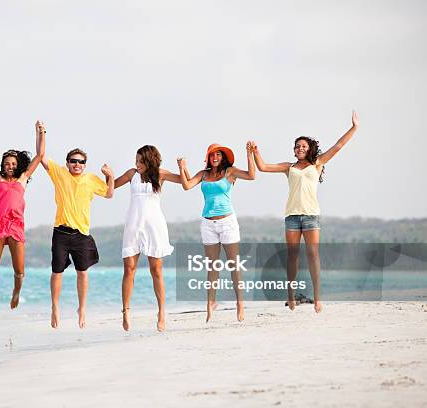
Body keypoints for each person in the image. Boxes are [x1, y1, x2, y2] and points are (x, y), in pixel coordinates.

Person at [252, 111, 359, 313]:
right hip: (292, 216)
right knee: (292, 257)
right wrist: (254, 151)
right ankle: (291, 296)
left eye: (303, 146)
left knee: (313, 255)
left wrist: (354, 127)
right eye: (297, 146)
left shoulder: (317, 163)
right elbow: (263, 167)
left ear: (309, 149)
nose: (300, 148)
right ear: (294, 151)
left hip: (311, 215)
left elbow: (338, 145)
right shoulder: (289, 167)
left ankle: (318, 299)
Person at [39, 130, 115, 329]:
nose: (77, 164)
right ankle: (55, 307)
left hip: (81, 234)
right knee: (57, 272)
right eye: (73, 161)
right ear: (67, 163)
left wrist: (110, 176)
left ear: (85, 165)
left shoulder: (90, 179)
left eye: (81, 162)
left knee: (82, 272)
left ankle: (82, 308)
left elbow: (109, 194)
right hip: (61, 232)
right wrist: (41, 133)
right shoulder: (60, 174)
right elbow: (41, 156)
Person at [177, 141, 256, 322]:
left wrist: (249, 154)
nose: (215, 158)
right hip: (208, 224)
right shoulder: (204, 174)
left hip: (228, 222)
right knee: (212, 267)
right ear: (208, 157)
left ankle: (240, 304)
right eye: (212, 155)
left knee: (233, 266)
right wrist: (182, 168)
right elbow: (187, 185)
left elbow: (252, 175)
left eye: (218, 155)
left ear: (223, 157)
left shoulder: (230, 172)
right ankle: (210, 304)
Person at [114, 145, 182, 332]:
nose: (137, 164)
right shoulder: (132, 174)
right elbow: (110, 187)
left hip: (154, 225)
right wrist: (108, 174)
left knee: (156, 270)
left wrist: (182, 167)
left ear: (150, 160)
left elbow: (185, 182)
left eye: (140, 161)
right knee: (129, 269)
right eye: (136, 160)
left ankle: (161, 312)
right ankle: (126, 311)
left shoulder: (160, 174)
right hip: (133, 225)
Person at [0, 120, 44, 309]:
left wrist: (40, 132)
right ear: (3, 165)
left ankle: (16, 293)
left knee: (20, 271)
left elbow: (40, 155)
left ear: (17, 165)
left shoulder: (23, 179)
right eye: (7, 163)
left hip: (15, 226)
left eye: (13, 164)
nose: (10, 166)